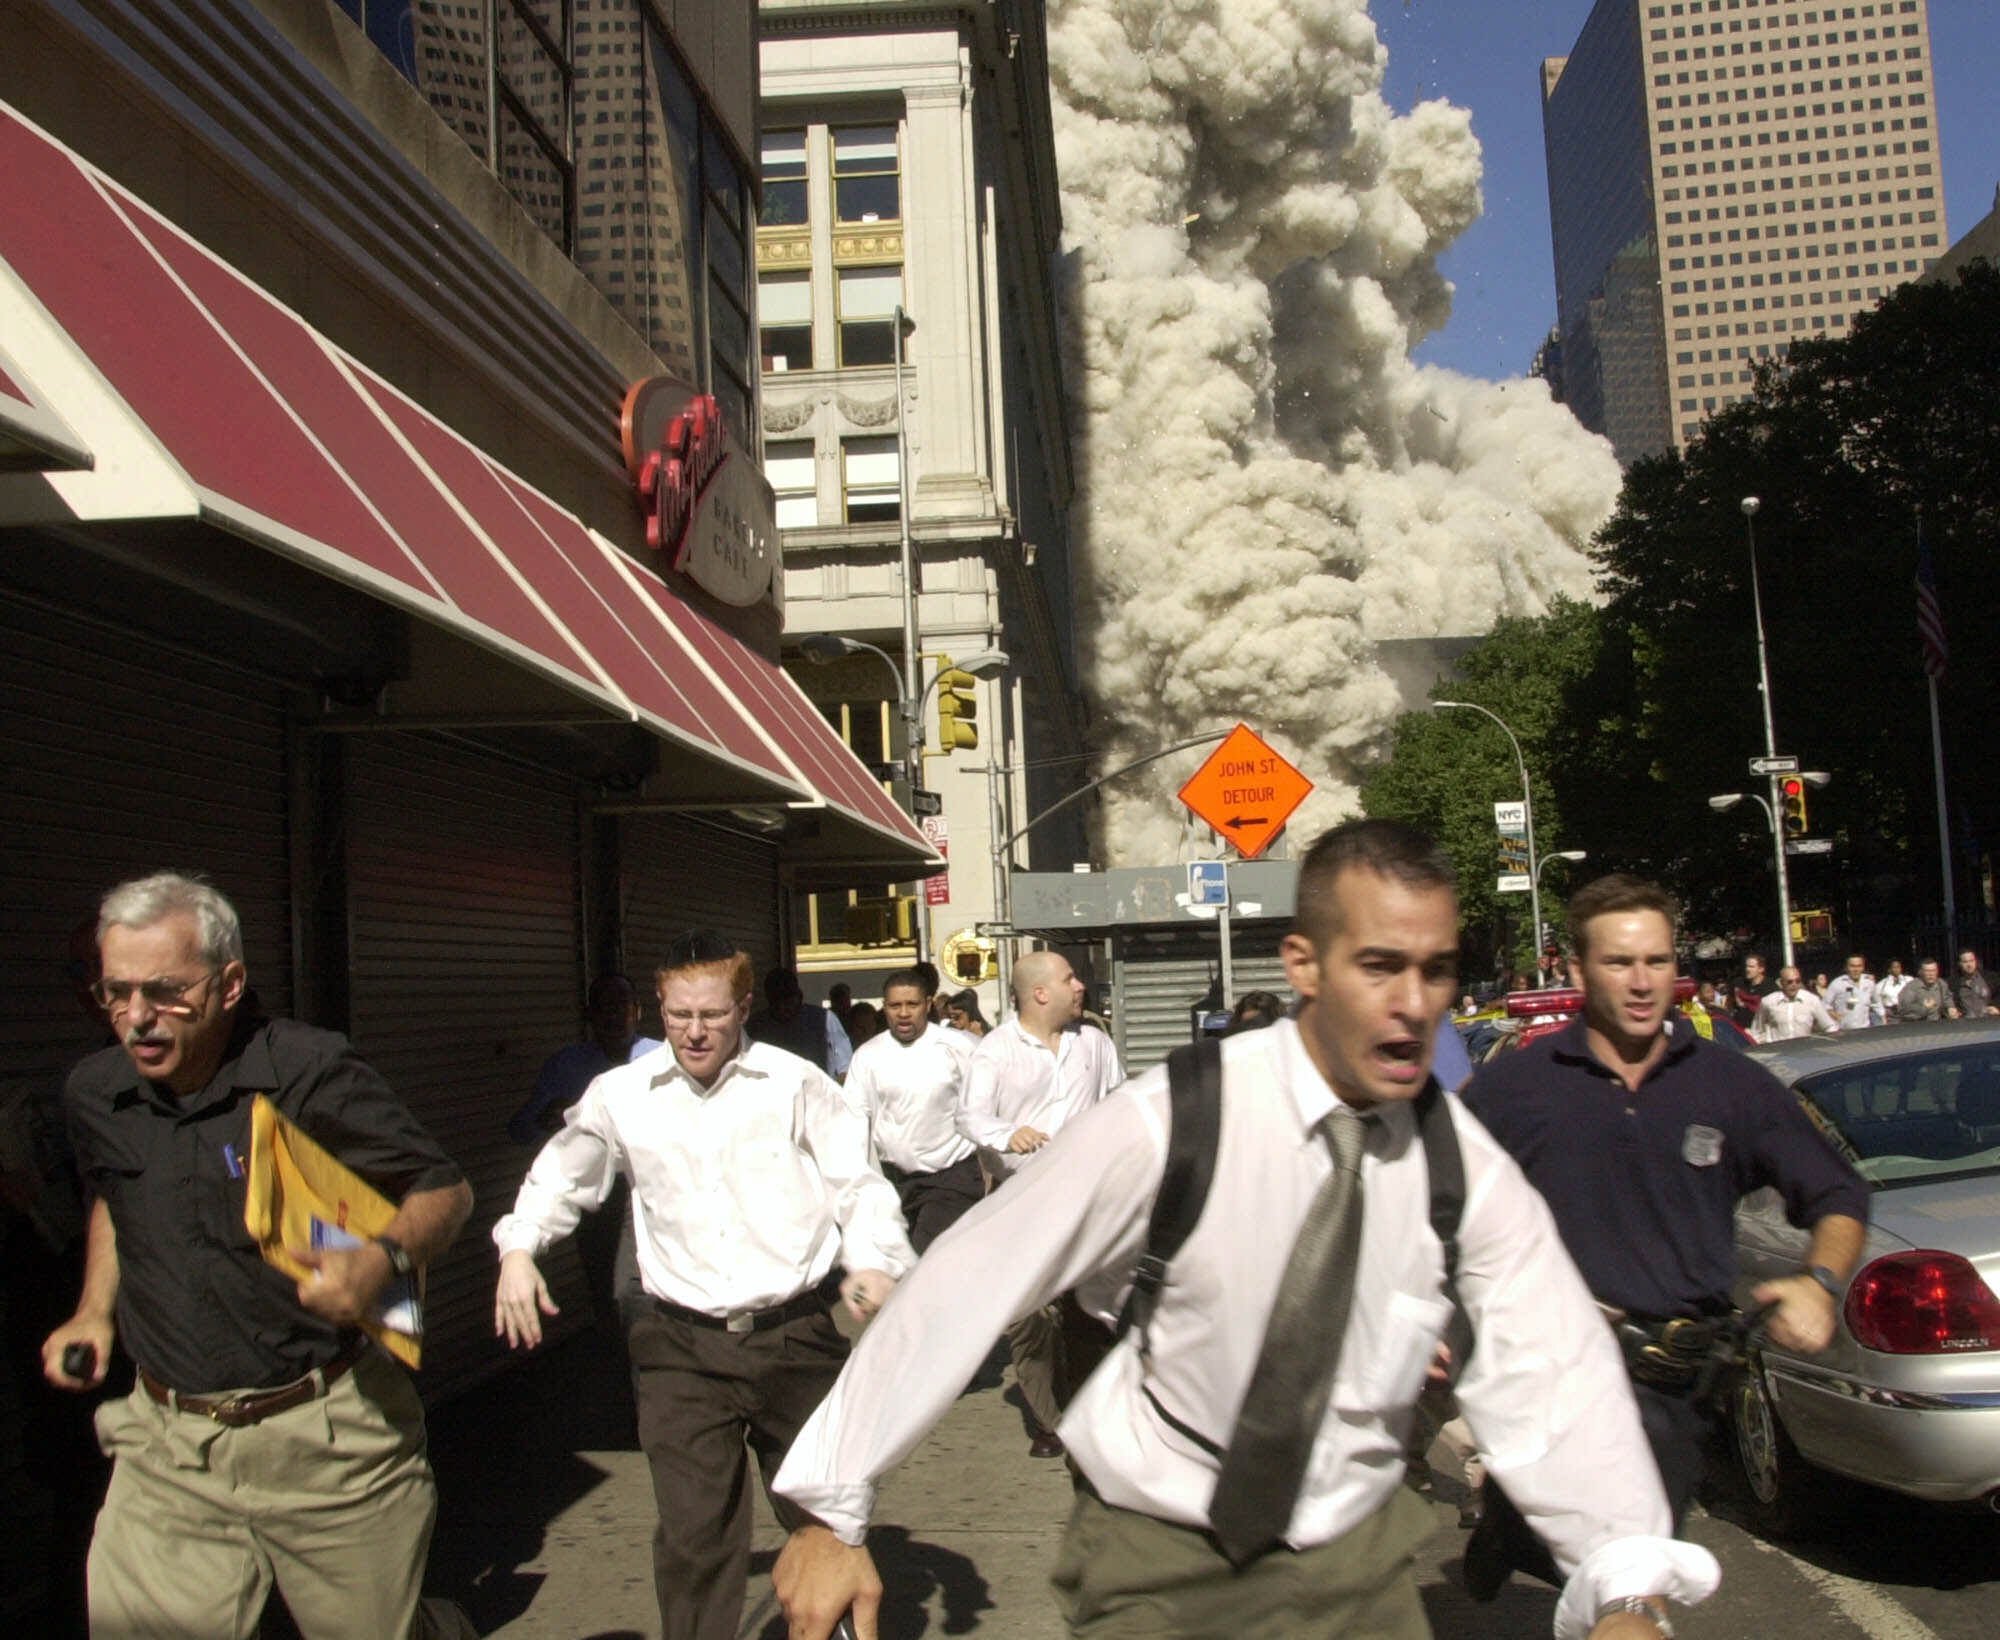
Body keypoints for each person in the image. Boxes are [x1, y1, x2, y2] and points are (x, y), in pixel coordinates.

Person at [771, 823, 1720, 1640]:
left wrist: (1623, 1582)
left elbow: (1553, 1370)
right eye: (1380, 965)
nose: (1414, 1004)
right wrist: (832, 1505)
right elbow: (972, 1276)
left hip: (1355, 1550)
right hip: (1160, 1546)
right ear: (1303, 963)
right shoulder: (1174, 1121)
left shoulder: (1460, 1167)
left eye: (1436, 970)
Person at [41, 872, 475, 1638]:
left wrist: (379, 1263)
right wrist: (92, 1311)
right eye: (115, 992)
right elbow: (116, 1194)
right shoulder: (95, 1091)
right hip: (169, 1447)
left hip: (327, 1440)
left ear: (230, 982)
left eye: (165, 992)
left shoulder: (308, 1071)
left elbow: (443, 1189)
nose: (136, 1018)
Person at [492, 931, 913, 1640]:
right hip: (679, 1348)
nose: (694, 1031)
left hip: (794, 1338)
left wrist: (873, 1260)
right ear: (659, 1006)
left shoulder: (794, 1083)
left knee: (829, 1524)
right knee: (694, 1543)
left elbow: (857, 1182)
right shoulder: (621, 1095)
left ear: (742, 1007)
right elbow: (562, 1175)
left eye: (712, 1015)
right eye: (678, 1014)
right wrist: (518, 1249)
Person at [1461, 873, 1867, 1601]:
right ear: (1576, 972)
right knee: (1629, 1588)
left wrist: (1821, 1281)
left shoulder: (1728, 1085)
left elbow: (1839, 1193)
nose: (1643, 982)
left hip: (1671, 1390)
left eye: (1658, 961)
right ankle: (1527, 1526)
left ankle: (1518, 1526)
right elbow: (1432, 1207)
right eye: (1620, 963)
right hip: (1549, 1379)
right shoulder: (1513, 1089)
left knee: (1617, 1568)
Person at [956, 949, 1123, 1459]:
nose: (1080, 987)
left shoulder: (1093, 1043)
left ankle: (1096, 1417)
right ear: (1040, 993)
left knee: (1090, 1312)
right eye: (1070, 978)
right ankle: (1051, 1420)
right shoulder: (996, 1051)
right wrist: (1009, 1135)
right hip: (1022, 1201)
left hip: (1086, 1199)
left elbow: (1117, 1102)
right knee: (1031, 1320)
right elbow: (970, 1116)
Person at [841, 969, 981, 1254]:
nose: (903, 1013)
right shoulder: (868, 1055)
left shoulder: (959, 1046)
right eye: (895, 1006)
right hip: (895, 1184)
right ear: (885, 1007)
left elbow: (989, 1103)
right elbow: (853, 1120)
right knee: (900, 1267)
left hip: (949, 1178)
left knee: (926, 1262)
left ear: (927, 1004)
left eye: (912, 1005)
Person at [507, 975, 662, 1144]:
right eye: (604, 1008)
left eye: (622, 1006)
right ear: (589, 1015)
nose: (614, 1016)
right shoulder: (566, 1066)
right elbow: (520, 1132)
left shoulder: (664, 1057)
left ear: (638, 1011)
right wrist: (549, 1117)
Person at [750, 965, 853, 1077]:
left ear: (799, 997)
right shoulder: (757, 1026)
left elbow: (845, 1066)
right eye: (776, 1002)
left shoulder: (824, 1019)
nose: (782, 1007)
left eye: (788, 1001)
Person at [1752, 967, 1840, 1043]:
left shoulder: (1811, 1000)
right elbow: (1756, 1031)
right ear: (1781, 982)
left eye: (1797, 981)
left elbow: (1830, 1026)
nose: (1794, 985)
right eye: (1789, 982)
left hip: (1804, 1052)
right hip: (1778, 1054)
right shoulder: (1768, 1002)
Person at [1822, 954, 1879, 1031]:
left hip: (1865, 1030)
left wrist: (1882, 1020)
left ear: (1863, 967)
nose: (1856, 969)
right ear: (1847, 967)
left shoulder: (1869, 983)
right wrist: (1835, 1015)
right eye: (1852, 966)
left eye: (1859, 966)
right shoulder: (1837, 983)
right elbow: (1824, 1005)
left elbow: (1877, 1003)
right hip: (1844, 1031)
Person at [1897, 958, 1952, 1023]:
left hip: (1937, 1025)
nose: (1931, 974)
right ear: (1920, 972)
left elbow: (1947, 998)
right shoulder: (1911, 988)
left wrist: (1950, 1007)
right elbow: (1903, 1010)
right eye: (1927, 971)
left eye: (1933, 970)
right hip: (1917, 1026)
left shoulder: (1941, 984)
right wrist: (1924, 1008)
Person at [1949, 949, 2000, 1019]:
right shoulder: (1953, 983)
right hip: (1966, 1024)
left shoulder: (1990, 978)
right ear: (1959, 964)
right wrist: (1953, 1010)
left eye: (1971, 961)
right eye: (1965, 962)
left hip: (1989, 1022)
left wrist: (1997, 1007)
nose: (1969, 965)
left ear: (1976, 961)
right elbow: (1949, 1002)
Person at [1728, 953, 1769, 1031]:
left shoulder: (1769, 987)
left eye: (1751, 967)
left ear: (1761, 969)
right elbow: (1729, 1005)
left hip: (1759, 1030)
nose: (1747, 969)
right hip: (1739, 1029)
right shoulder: (1738, 983)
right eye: (1746, 966)